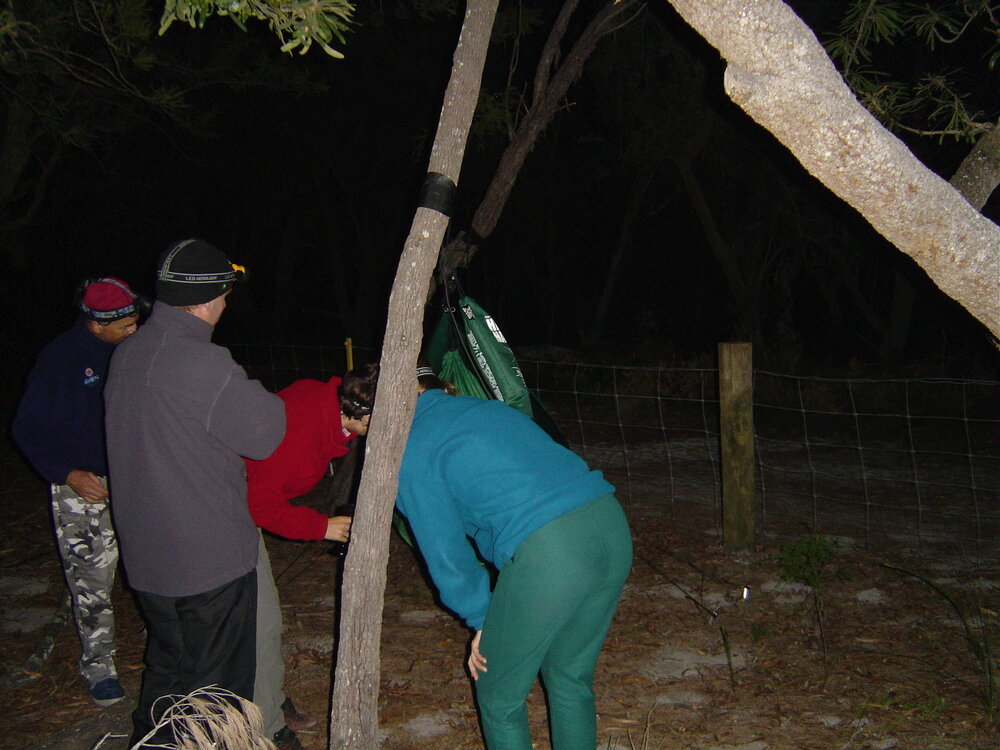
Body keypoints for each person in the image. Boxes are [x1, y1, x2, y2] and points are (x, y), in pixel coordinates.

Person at [104, 238, 286, 747]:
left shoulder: (129, 352)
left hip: (149, 557)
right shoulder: (204, 364)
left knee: (169, 671)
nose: (227, 302)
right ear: (209, 298)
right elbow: (266, 433)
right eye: (226, 292)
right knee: (216, 695)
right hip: (208, 561)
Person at [395, 367, 633, 750]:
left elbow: (446, 554)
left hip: (552, 551)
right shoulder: (488, 408)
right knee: (569, 676)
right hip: (609, 523)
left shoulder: (413, 448)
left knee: (498, 695)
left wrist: (481, 618)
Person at [12, 277, 143, 707]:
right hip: (85, 487)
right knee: (92, 580)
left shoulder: (136, 350)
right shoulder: (61, 358)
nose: (133, 331)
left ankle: (167, 648)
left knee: (154, 564)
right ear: (95, 324)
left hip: (137, 479)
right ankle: (99, 666)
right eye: (124, 326)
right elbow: (28, 428)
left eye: (135, 322)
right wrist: (67, 474)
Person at [243, 364, 378, 746]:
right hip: (219, 512)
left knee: (255, 621)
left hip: (233, 504)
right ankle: (266, 724)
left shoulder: (323, 402)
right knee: (259, 622)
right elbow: (259, 504)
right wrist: (322, 527)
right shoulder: (300, 434)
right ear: (363, 414)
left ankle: (265, 695)